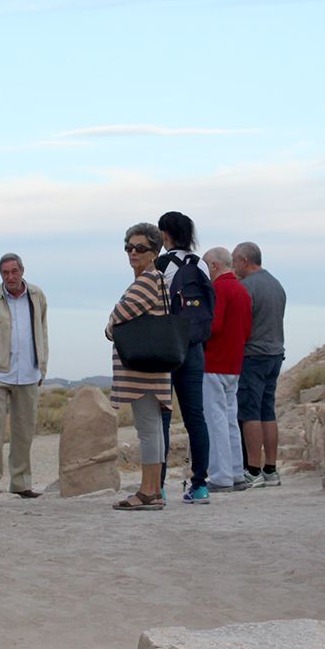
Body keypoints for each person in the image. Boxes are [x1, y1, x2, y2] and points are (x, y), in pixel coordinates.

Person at [0, 253, 49, 498]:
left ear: (22, 271)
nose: (10, 277)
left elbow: (42, 331)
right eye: (5, 273)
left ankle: (21, 484)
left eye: (14, 271)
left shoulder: (37, 296)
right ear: (0, 274)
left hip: (28, 373)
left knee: (24, 432)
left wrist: (42, 366)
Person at [106, 222, 174, 510]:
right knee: (154, 429)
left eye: (140, 248)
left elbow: (117, 318)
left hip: (141, 370)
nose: (132, 252)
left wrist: (110, 326)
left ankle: (148, 490)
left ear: (154, 251)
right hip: (154, 367)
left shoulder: (146, 281)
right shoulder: (158, 280)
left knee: (147, 429)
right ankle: (154, 489)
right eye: (129, 247)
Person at [156, 211, 214, 504]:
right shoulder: (200, 264)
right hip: (194, 347)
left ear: (165, 234)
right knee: (196, 418)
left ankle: (159, 485)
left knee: (162, 419)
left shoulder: (161, 265)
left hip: (167, 347)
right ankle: (200, 484)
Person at [234, 241, 286, 487]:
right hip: (275, 354)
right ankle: (271, 469)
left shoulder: (246, 287)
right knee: (268, 410)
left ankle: (253, 469)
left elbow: (241, 326)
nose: (233, 266)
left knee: (249, 412)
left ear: (245, 260)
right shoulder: (276, 285)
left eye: (235, 261)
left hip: (252, 356)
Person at [202, 246, 252, 491]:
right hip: (234, 363)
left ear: (214, 266)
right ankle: (235, 471)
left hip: (214, 362)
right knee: (230, 418)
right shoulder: (242, 290)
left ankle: (221, 476)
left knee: (215, 419)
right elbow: (246, 330)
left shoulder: (219, 289)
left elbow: (214, 325)